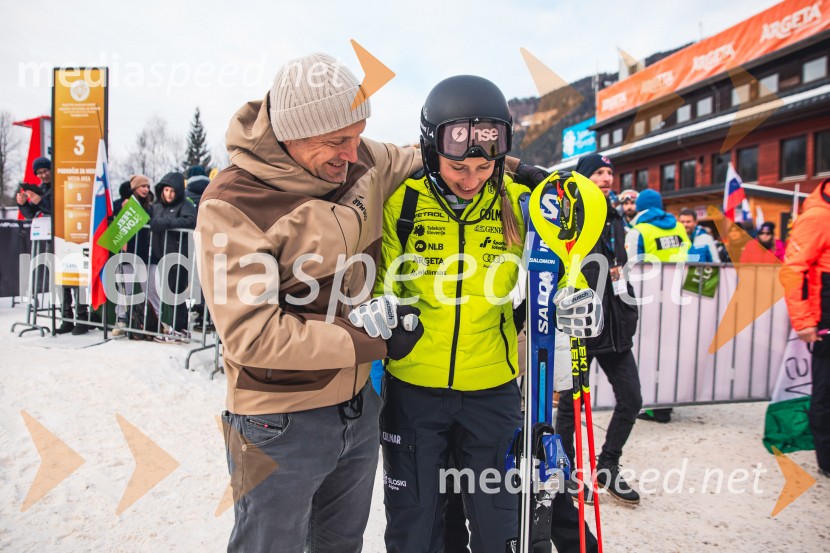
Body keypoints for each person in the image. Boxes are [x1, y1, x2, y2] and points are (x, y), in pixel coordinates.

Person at [195, 53, 425, 553]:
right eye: (336, 141)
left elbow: (418, 156)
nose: (352, 151)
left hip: (357, 410)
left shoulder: (359, 154)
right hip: (278, 422)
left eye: (357, 134)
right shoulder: (233, 203)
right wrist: (373, 342)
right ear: (291, 132)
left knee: (341, 545)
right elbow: (254, 335)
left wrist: (510, 163)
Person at [373, 75, 603, 553]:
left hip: (493, 391)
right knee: (415, 527)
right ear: (430, 149)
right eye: (458, 165)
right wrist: (377, 302)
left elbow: (558, 266)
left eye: (484, 166)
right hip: (414, 390)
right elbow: (380, 279)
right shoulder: (404, 201)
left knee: (502, 526)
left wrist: (574, 298)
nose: (471, 178)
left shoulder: (518, 203)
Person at [557, 152, 643, 506]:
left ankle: (607, 466)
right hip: (582, 323)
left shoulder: (615, 217)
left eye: (610, 172)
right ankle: (567, 474)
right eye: (599, 173)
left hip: (615, 324)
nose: (607, 178)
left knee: (632, 399)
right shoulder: (571, 215)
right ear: (584, 178)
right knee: (571, 405)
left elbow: (619, 262)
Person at [781, 177, 830, 478]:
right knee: (825, 392)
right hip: (824, 317)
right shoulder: (817, 216)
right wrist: (804, 322)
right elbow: (792, 271)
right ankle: (827, 459)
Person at [18, 157, 91, 334]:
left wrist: (39, 201)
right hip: (54, 240)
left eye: (45, 171)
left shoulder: (62, 185)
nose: (43, 175)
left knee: (75, 279)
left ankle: (82, 318)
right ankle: (66, 318)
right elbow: (31, 214)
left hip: (70, 237)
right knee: (59, 280)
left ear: (51, 170)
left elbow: (62, 207)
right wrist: (23, 205)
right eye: (39, 173)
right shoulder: (40, 189)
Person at [149, 171, 196, 339]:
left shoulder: (185, 205)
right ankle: (180, 328)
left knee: (175, 292)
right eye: (166, 190)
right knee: (169, 292)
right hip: (160, 254)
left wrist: (166, 223)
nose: (169, 194)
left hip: (178, 254)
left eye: (173, 191)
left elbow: (191, 221)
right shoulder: (157, 206)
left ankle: (177, 327)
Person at [113, 175, 154, 337]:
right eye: (142, 186)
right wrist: (122, 209)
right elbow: (113, 217)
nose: (145, 189)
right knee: (125, 289)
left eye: (148, 186)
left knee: (149, 290)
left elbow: (151, 219)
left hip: (144, 253)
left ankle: (151, 320)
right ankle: (121, 319)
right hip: (127, 253)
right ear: (134, 188)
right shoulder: (121, 203)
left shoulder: (150, 206)